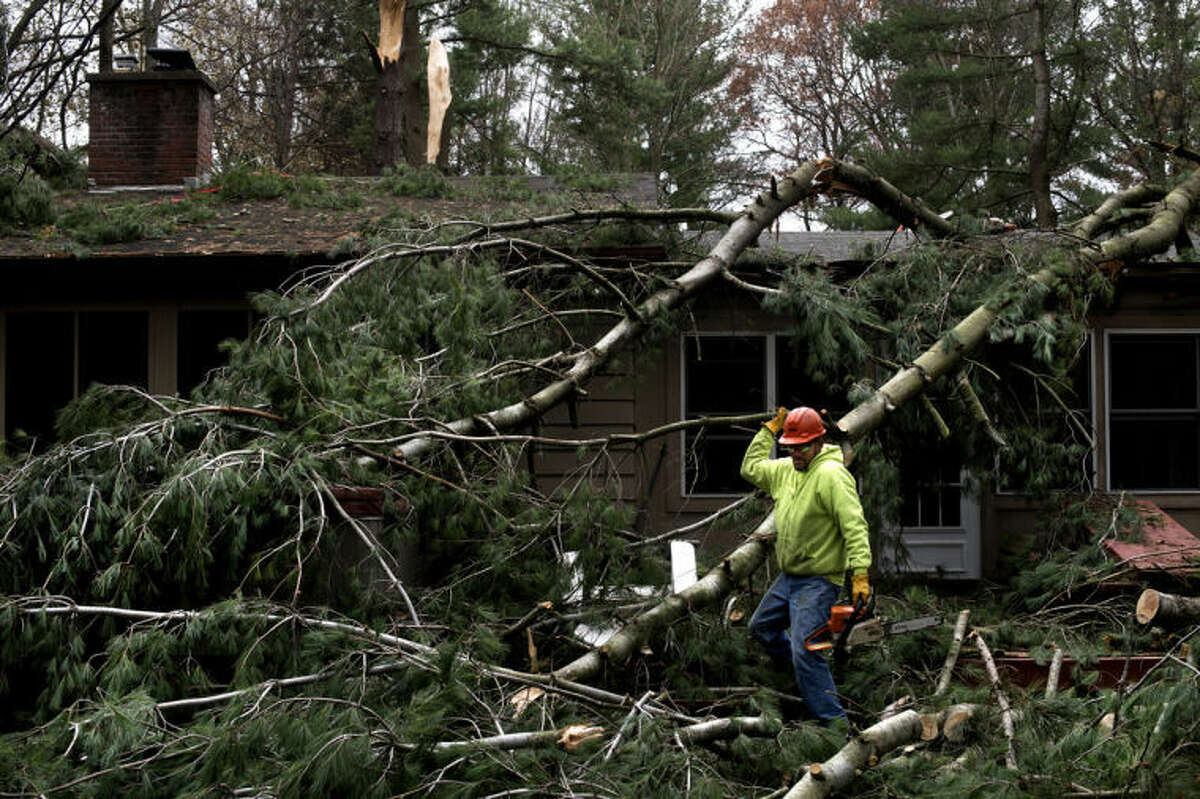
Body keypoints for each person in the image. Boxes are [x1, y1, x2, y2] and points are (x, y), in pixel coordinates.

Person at [740, 406, 872, 724]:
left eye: (801, 447)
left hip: (820, 578)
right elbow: (750, 469)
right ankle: (804, 683)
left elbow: (854, 525)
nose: (796, 453)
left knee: (807, 650)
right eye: (790, 447)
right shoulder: (786, 470)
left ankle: (836, 727)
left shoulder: (832, 475)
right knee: (762, 628)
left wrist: (860, 574)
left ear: (818, 442)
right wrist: (767, 432)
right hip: (790, 577)